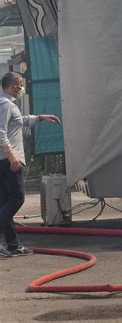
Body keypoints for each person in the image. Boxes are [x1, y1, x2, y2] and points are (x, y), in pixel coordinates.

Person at [0, 72, 61, 258]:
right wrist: (12, 155)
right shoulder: (5, 104)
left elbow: (20, 122)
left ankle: (13, 245)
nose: (21, 88)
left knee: (5, 203)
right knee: (17, 199)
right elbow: (0, 131)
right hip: (8, 160)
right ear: (13, 86)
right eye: (20, 85)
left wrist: (41, 117)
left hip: (4, 159)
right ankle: (10, 244)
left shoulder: (8, 103)